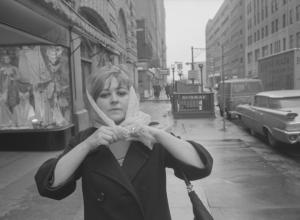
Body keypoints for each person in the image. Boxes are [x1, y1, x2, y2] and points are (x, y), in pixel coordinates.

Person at [35, 64, 213, 220]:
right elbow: (50, 183)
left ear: (132, 97)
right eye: (104, 95)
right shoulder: (85, 140)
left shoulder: (151, 135)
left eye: (121, 93)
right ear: (94, 102)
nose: (114, 100)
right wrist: (89, 145)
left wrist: (157, 134)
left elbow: (200, 164)